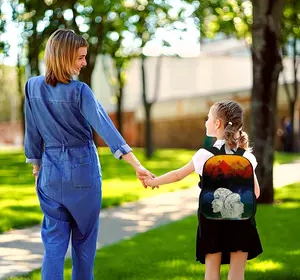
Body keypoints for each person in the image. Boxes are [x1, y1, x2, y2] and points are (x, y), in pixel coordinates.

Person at [24, 28, 153, 280]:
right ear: (64, 57)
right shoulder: (79, 91)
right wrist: (136, 164)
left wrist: (37, 169)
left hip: (49, 174)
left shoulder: (32, 87)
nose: (85, 63)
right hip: (82, 172)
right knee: (83, 245)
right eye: (80, 57)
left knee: (53, 245)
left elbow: (32, 133)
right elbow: (107, 128)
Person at [144, 100, 262, 280]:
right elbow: (256, 193)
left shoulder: (204, 155)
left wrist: (153, 182)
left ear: (217, 124)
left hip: (212, 222)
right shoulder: (247, 157)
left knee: (211, 273)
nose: (206, 122)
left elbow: (177, 175)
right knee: (237, 274)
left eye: (208, 118)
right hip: (241, 222)